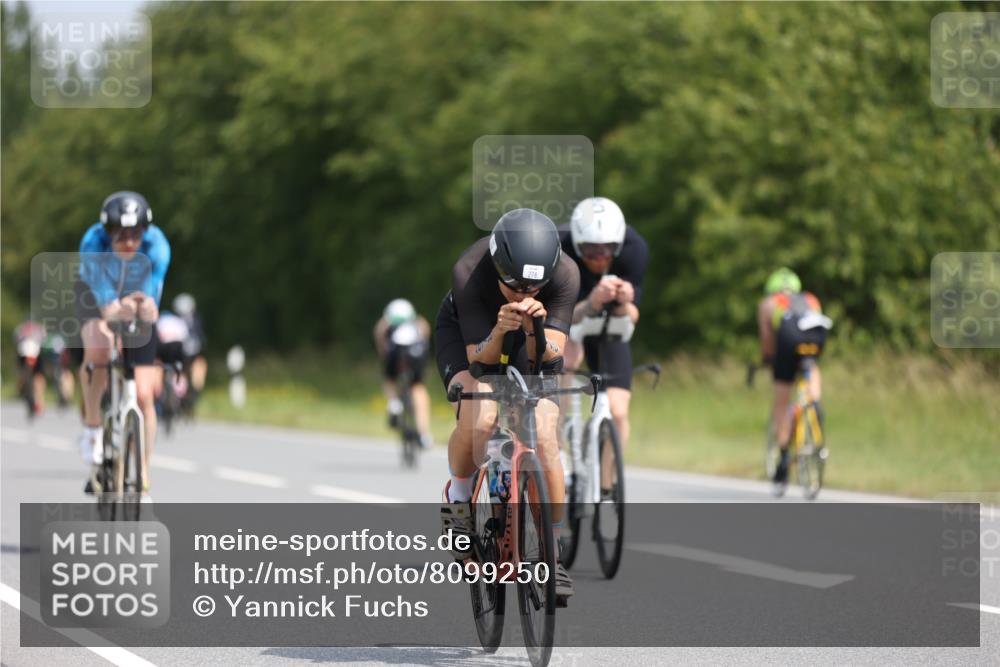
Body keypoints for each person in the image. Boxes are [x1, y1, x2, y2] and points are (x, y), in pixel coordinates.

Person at [434, 208, 579, 602]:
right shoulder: (470, 269)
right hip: (473, 334)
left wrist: (535, 326)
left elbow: (550, 361)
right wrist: (500, 327)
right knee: (479, 415)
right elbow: (481, 364)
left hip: (531, 337)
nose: (523, 294)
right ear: (498, 268)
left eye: (533, 287)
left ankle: (553, 551)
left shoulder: (565, 274)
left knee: (546, 437)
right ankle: (459, 501)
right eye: (514, 286)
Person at [76, 191, 170, 496]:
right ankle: (92, 429)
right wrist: (115, 311)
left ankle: (142, 469)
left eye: (135, 235)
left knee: (144, 394)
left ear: (146, 231)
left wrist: (144, 307)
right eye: (120, 236)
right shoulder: (92, 244)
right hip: (96, 296)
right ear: (107, 233)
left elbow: (150, 299)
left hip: (135, 298)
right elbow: (105, 307)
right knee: (99, 348)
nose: (129, 242)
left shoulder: (157, 246)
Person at [559, 196, 649, 457]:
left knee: (619, 412)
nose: (600, 258)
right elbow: (559, 316)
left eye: (608, 248)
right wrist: (592, 303)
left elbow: (631, 316)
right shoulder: (560, 251)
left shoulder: (635, 250)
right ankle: (557, 441)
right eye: (590, 250)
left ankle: (607, 487)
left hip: (610, 328)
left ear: (619, 244)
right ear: (577, 244)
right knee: (567, 358)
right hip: (570, 322)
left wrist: (623, 301)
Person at [756, 268, 831, 489]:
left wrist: (769, 360)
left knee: (782, 400)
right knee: (811, 364)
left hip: (788, 341)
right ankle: (814, 403)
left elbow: (768, 342)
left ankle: (784, 454)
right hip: (815, 339)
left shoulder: (769, 303)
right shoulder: (811, 299)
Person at [373, 298, 433, 448]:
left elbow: (379, 334)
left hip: (394, 354)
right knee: (418, 387)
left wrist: (383, 356)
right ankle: (423, 433)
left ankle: (394, 404)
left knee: (390, 380)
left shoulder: (387, 321)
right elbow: (425, 333)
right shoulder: (418, 321)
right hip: (415, 354)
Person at [171, 293, 207, 404]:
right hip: (174, 355)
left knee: (200, 366)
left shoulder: (196, 321)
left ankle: (193, 395)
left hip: (192, 356)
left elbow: (201, 339)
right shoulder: (170, 321)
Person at [13, 320, 47, 416]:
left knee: (25, 374)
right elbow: (44, 339)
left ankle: (22, 387)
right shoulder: (39, 328)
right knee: (39, 377)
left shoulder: (20, 328)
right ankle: (39, 400)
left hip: (25, 355)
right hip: (34, 354)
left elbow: (16, 339)